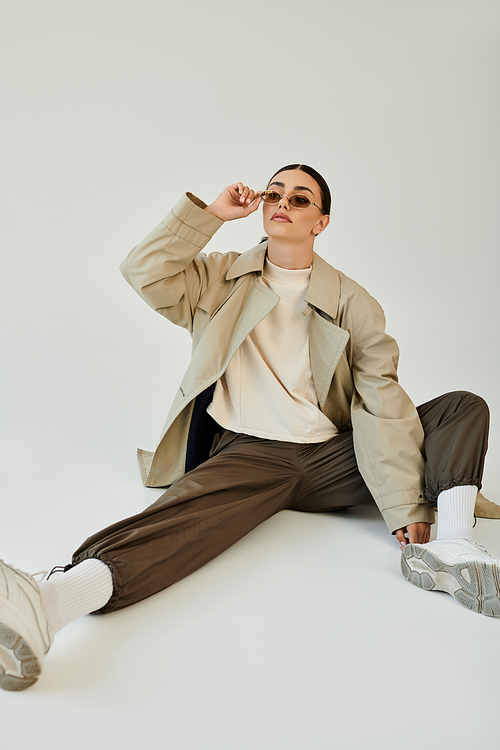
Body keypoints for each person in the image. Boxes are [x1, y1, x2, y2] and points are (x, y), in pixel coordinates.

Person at [1, 164, 499, 693]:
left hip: (335, 455)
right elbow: (143, 270)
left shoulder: (354, 303)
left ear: (321, 222)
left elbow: (383, 402)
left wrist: (401, 502)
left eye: (300, 199)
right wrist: (212, 215)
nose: (282, 202)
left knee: (462, 407)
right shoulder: (218, 277)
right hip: (252, 454)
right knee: (180, 522)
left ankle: (452, 546)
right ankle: (50, 601)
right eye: (275, 193)